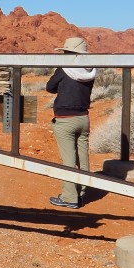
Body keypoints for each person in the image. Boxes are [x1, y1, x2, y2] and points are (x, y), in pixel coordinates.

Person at [46, 36, 95, 209]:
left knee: (68, 159)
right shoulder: (90, 70)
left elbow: (50, 87)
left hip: (65, 120)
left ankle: (69, 197)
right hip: (84, 118)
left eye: (66, 52)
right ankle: (81, 193)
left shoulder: (64, 69)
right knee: (83, 157)